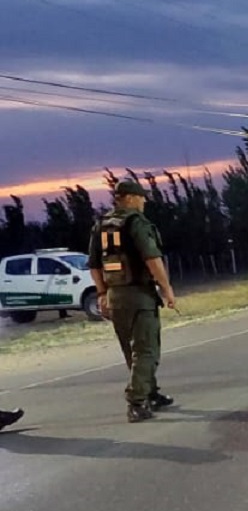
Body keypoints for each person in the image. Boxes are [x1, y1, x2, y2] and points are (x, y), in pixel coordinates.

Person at [88, 180, 178, 422]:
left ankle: (150, 392)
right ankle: (137, 402)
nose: (144, 201)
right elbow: (152, 258)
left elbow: (94, 265)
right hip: (139, 294)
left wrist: (101, 293)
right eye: (141, 197)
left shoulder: (101, 224)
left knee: (132, 349)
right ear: (129, 198)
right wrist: (167, 288)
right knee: (147, 349)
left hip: (115, 295)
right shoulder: (136, 222)